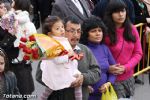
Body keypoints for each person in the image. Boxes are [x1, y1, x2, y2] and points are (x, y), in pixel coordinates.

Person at [35, 16, 100, 100]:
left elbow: (97, 72)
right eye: (72, 31)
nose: (76, 35)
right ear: (63, 31)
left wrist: (84, 78)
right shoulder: (51, 49)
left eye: (79, 31)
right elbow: (39, 76)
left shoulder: (85, 50)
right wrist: (63, 80)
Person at [103, 0, 143, 99]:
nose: (121, 14)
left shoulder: (132, 28)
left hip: (129, 76)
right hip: (111, 79)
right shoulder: (104, 32)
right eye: (116, 12)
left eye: (123, 11)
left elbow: (138, 53)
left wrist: (126, 67)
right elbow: (98, 55)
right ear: (110, 14)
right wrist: (108, 67)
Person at [40, 16, 82, 100]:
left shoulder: (63, 40)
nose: (62, 30)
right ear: (50, 34)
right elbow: (57, 60)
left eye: (62, 27)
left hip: (67, 67)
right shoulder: (52, 44)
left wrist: (72, 55)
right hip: (58, 69)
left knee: (77, 82)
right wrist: (68, 55)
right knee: (51, 85)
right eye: (57, 28)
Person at [0, 0, 34, 99]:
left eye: (3, 7)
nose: (4, 9)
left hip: (20, 67)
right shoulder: (8, 19)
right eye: (1, 7)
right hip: (9, 66)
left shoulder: (10, 18)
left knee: (22, 93)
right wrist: (11, 34)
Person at [80, 16, 116, 100]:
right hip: (86, 96)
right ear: (86, 33)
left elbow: (114, 71)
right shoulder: (81, 49)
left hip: (104, 96)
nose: (98, 33)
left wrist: (108, 83)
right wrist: (84, 86)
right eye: (93, 31)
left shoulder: (104, 48)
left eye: (100, 30)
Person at [131, 0, 150, 84]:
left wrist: (148, 27)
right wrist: (145, 19)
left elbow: (148, 18)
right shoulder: (132, 3)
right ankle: (131, 76)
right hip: (133, 34)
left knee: (139, 53)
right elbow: (133, 19)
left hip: (141, 34)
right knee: (132, 54)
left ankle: (135, 76)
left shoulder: (143, 5)